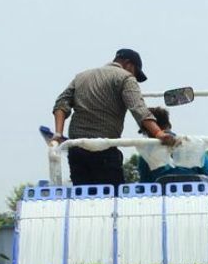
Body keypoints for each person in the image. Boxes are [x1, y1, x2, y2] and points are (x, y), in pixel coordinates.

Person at [52, 49, 175, 187]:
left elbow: (61, 104)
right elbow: (138, 108)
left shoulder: (81, 77)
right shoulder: (125, 77)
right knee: (112, 198)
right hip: (103, 148)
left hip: (76, 149)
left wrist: (58, 134)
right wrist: (158, 133)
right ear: (129, 64)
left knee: (84, 198)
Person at [136, 107, 208, 183]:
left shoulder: (146, 154)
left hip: (162, 199)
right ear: (169, 125)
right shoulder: (193, 145)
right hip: (195, 198)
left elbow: (145, 185)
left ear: (146, 132)